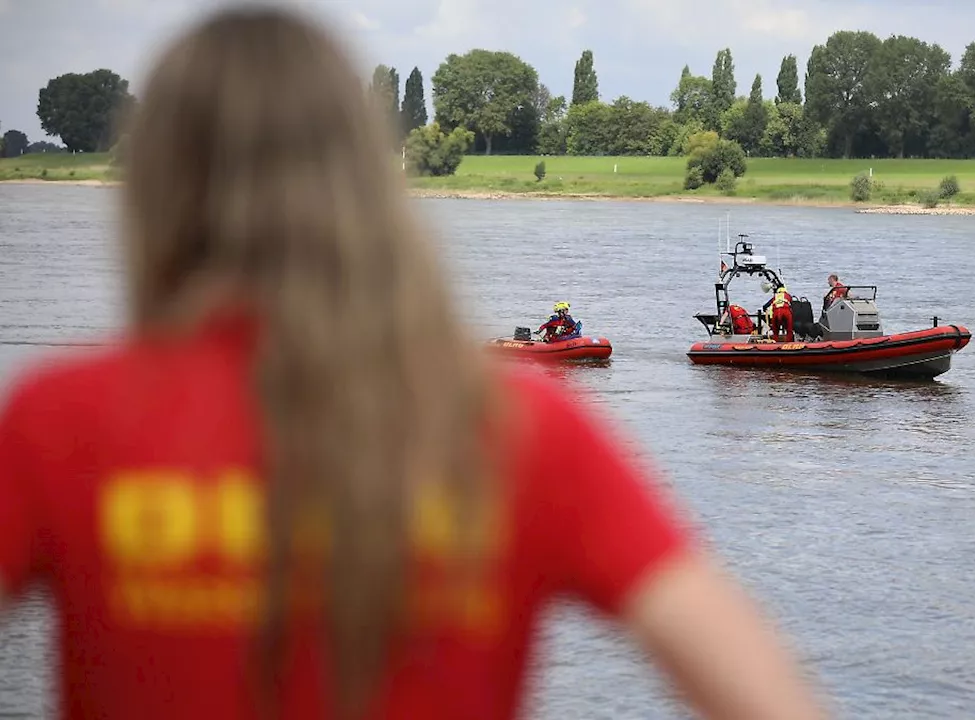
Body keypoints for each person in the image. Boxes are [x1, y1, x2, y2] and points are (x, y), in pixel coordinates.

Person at [0, 6, 827, 720]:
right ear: (365, 180)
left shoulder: (58, 422)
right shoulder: (520, 429)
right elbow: (762, 690)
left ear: (156, 182)